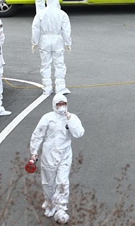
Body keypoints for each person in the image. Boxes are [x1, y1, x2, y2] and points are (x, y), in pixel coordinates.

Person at [29, 94, 84, 224]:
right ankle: (50, 203)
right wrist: (34, 152)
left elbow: (79, 133)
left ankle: (61, 208)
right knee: (48, 183)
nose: (61, 107)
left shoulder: (72, 118)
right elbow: (38, 135)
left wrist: (70, 120)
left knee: (63, 182)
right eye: (58, 104)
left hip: (65, 155)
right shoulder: (47, 118)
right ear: (54, 105)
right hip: (49, 156)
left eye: (63, 104)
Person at [32, 0, 72, 96]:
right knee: (59, 64)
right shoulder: (62, 14)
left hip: (45, 40)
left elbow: (35, 29)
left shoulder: (41, 13)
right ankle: (60, 87)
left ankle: (47, 88)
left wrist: (34, 42)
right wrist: (68, 42)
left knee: (45, 64)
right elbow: (66, 30)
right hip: (57, 40)